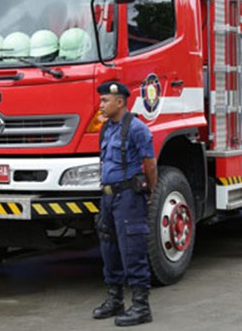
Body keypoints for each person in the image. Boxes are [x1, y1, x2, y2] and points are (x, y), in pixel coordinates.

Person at [93, 81, 157, 327]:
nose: (101, 105)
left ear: (119, 102)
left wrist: (150, 191)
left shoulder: (137, 128)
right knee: (109, 248)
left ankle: (141, 306)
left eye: (105, 101)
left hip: (129, 196)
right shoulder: (107, 128)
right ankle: (115, 299)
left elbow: (149, 163)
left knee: (132, 249)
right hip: (108, 197)